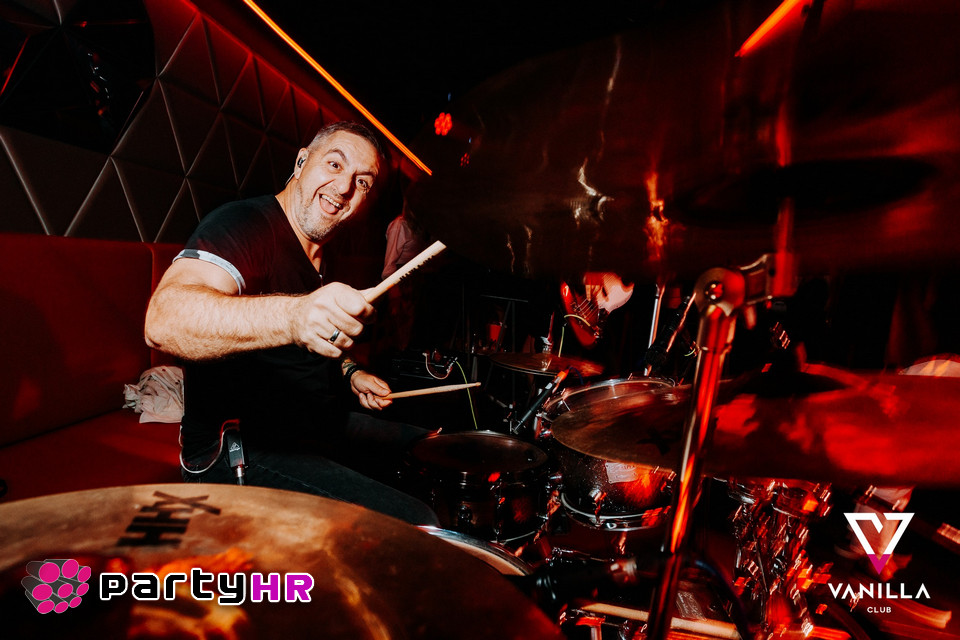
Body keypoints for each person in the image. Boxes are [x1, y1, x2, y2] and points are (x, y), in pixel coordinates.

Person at [144, 121, 438, 526]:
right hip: (240, 450)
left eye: (362, 182)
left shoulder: (323, 252)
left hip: (312, 424)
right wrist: (294, 316)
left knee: (431, 448)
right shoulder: (244, 224)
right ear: (301, 162)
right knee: (418, 521)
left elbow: (302, 350)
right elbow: (164, 321)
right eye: (334, 164)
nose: (344, 187)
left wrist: (351, 372)